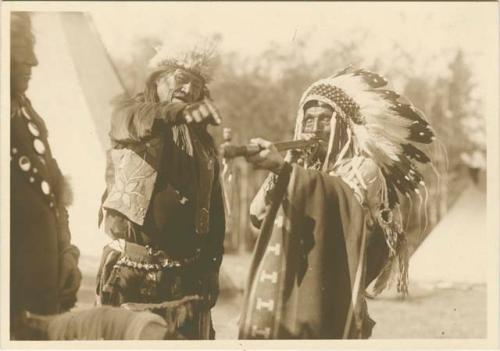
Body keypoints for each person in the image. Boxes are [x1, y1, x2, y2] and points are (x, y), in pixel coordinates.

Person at [238, 67, 436, 339]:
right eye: (309, 120)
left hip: (336, 291)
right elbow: (257, 216)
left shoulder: (362, 168)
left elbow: (338, 209)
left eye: (325, 119)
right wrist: (282, 169)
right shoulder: (294, 167)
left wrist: (285, 172)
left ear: (343, 124)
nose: (315, 127)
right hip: (288, 288)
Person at [96, 43, 225, 339]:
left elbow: (215, 211)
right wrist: (180, 112)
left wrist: (212, 268)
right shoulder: (131, 114)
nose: (189, 89)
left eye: (197, 84)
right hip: (131, 271)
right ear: (158, 79)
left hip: (186, 275)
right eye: (181, 78)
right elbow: (130, 123)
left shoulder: (203, 146)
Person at [10, 12, 81, 339]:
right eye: (20, 50)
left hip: (41, 299)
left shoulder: (27, 115)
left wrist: (66, 253)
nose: (34, 61)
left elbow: (52, 196)